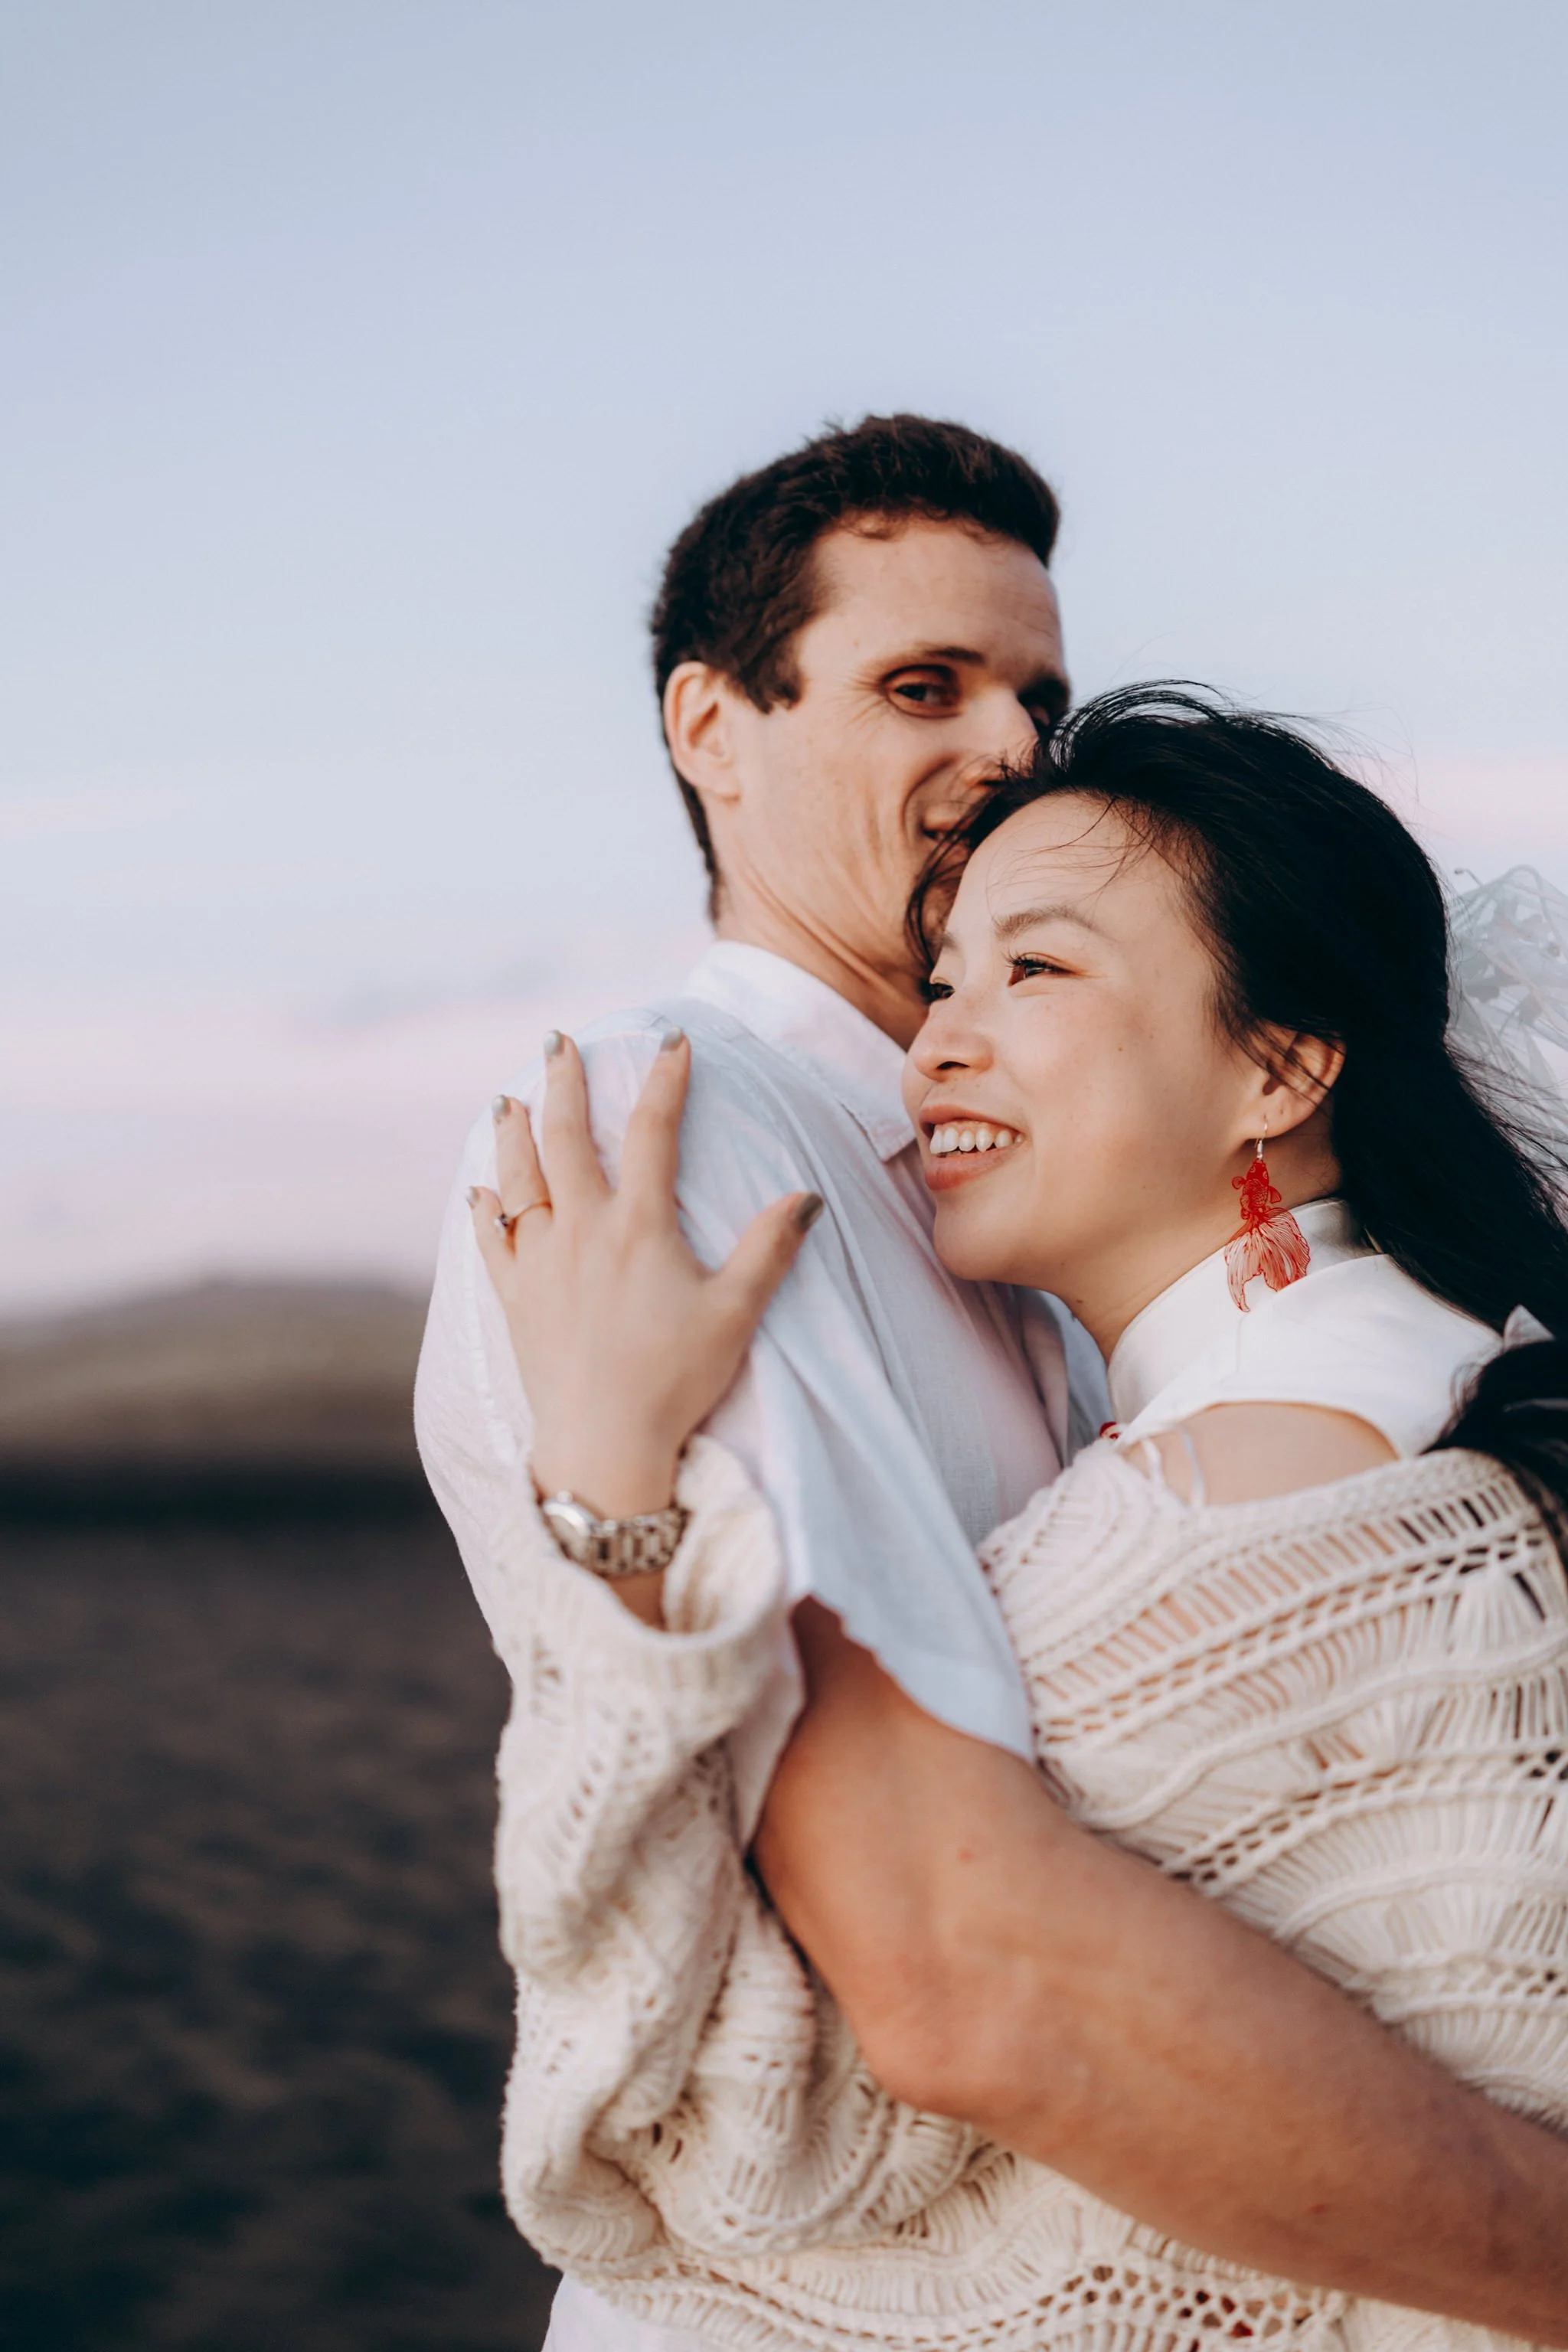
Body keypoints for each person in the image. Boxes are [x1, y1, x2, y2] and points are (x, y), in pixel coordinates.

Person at [466, 688, 1568, 2352]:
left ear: (1280, 1061)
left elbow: (763, 2094)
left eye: (1034, 969)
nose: (938, 1047)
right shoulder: (1446, 1353)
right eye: (941, 982)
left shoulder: (1230, 1498)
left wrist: (614, 1474)